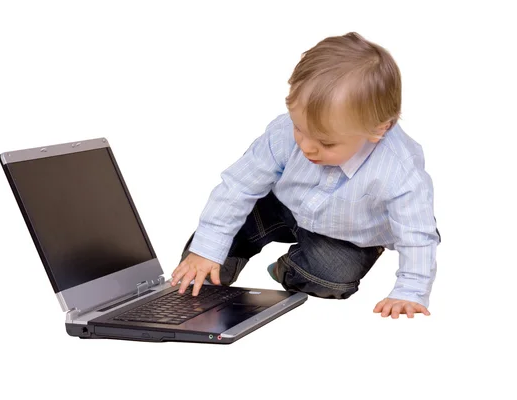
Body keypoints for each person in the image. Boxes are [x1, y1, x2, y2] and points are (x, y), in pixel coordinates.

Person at [171, 32, 440, 319]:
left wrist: (409, 292)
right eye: (300, 128)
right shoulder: (285, 133)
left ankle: (288, 268)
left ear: (378, 130)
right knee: (205, 252)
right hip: (281, 206)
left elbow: (418, 234)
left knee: (334, 277)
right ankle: (216, 264)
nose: (307, 145)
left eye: (326, 142)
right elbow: (237, 187)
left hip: (348, 234)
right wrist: (207, 250)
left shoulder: (399, 170)